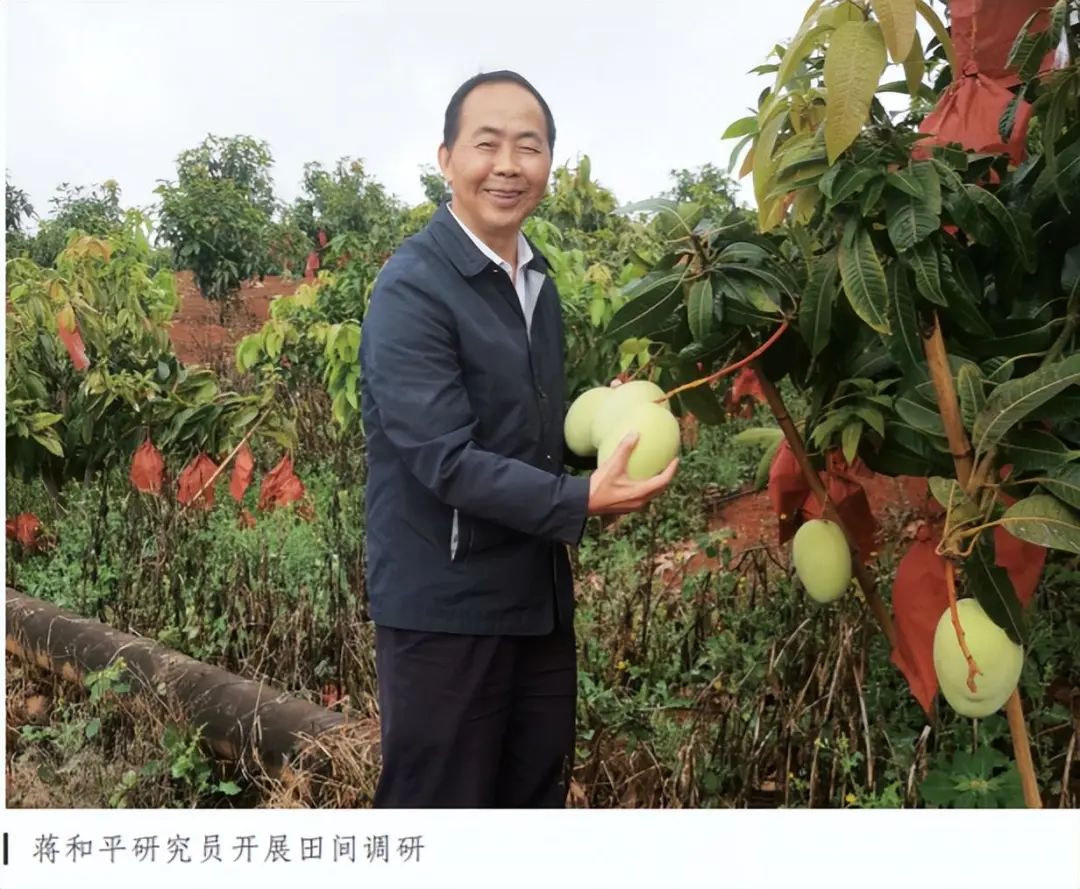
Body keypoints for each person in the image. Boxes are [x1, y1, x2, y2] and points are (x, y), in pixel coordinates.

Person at [358, 69, 678, 808]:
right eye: (488, 144)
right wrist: (578, 498)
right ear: (446, 158)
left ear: (549, 165)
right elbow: (444, 456)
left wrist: (609, 429)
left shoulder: (537, 280)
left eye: (528, 147)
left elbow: (528, 429)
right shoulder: (413, 287)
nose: (508, 165)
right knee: (439, 805)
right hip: (445, 605)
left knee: (529, 797)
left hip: (534, 598)